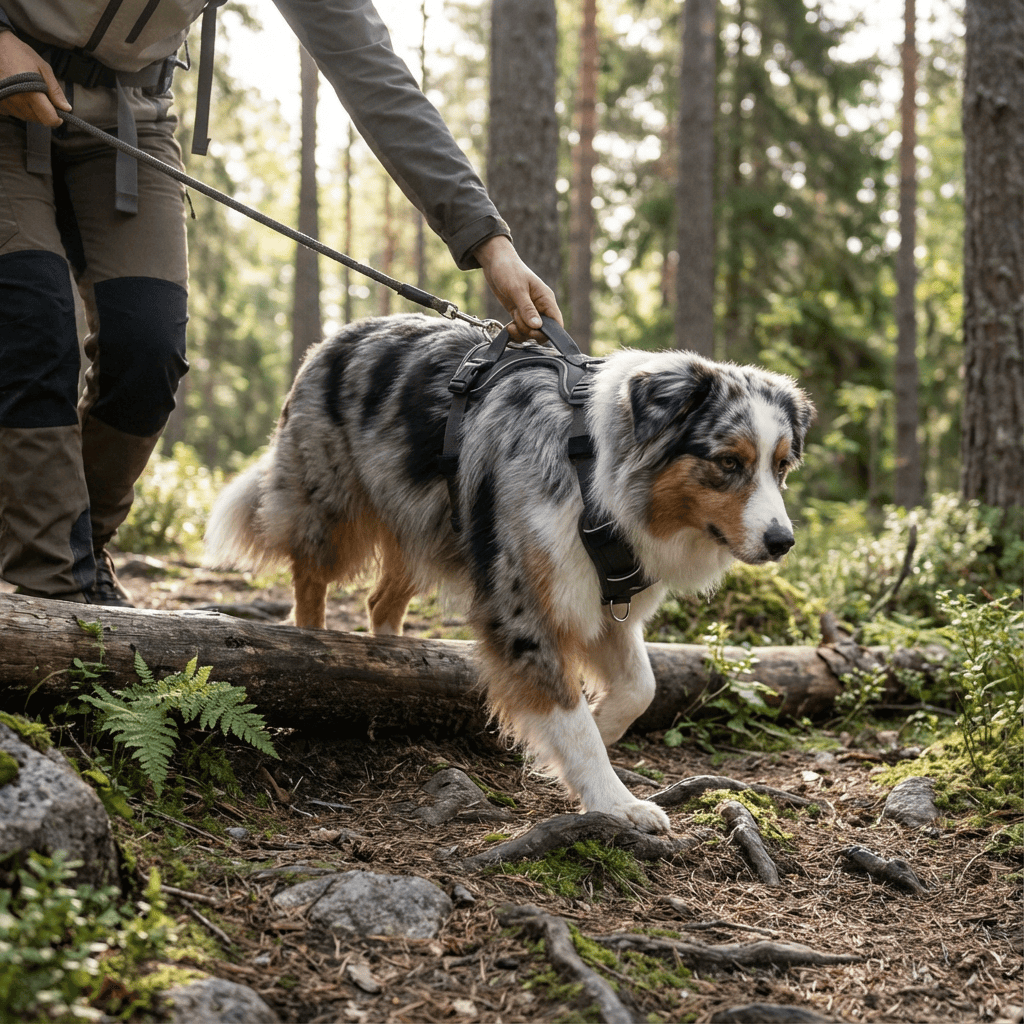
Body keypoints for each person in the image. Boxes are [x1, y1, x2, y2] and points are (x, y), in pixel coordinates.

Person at [0, 0, 562, 607]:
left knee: (148, 349)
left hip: (128, 118)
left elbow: (373, 70)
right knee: (33, 332)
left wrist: (489, 241)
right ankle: (55, 591)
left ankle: (76, 551)